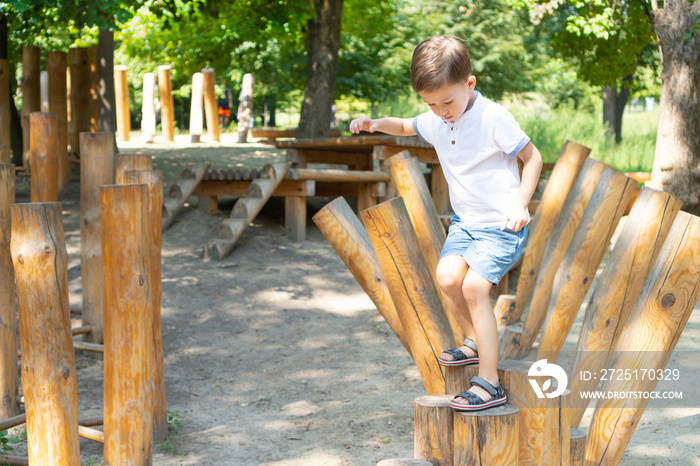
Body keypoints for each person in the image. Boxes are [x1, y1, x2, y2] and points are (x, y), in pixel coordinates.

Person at [349, 36, 543, 411]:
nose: (441, 111)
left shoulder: (492, 118)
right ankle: (474, 342)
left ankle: (490, 382)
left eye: (447, 101)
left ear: (469, 84)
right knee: (447, 278)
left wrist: (521, 203)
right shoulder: (438, 117)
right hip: (466, 223)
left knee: (474, 289)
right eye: (431, 104)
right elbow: (405, 125)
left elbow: (532, 159)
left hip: (502, 225)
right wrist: (374, 123)